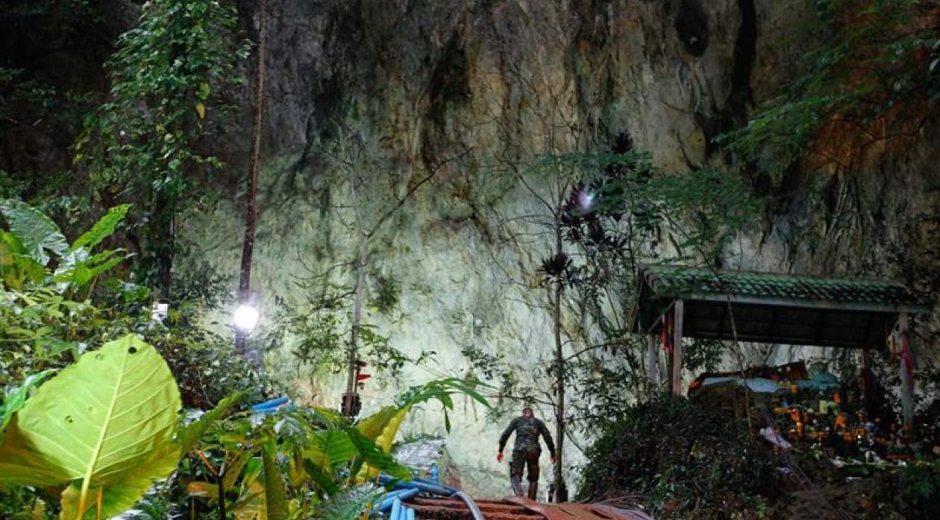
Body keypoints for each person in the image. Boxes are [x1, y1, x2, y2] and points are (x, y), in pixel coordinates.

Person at [497, 406, 556, 500]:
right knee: (533, 478)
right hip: (534, 451)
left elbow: (505, 435)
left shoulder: (517, 421)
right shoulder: (538, 422)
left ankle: (520, 496)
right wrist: (553, 453)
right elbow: (547, 437)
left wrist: (500, 450)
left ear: (523, 414)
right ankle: (531, 501)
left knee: (515, 474)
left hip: (519, 450)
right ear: (532, 414)